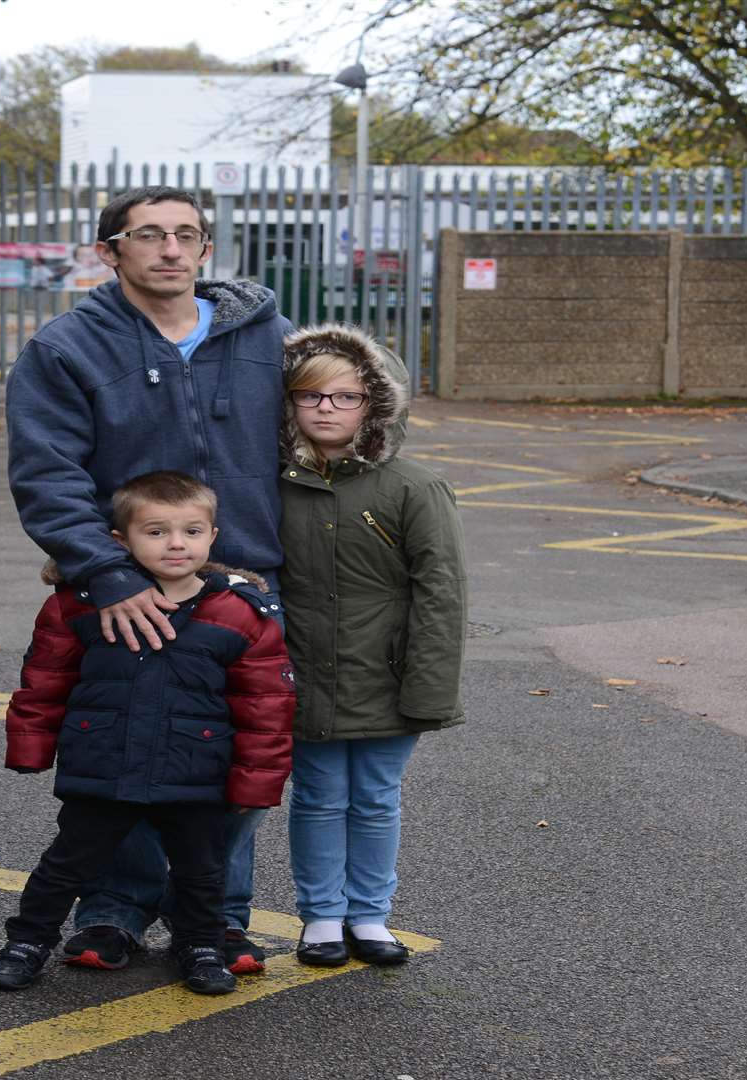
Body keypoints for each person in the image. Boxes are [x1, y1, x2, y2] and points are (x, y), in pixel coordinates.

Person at [5, 185, 292, 975]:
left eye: (187, 235)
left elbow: (335, 427)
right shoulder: (68, 348)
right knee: (130, 753)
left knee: (230, 751)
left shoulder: (269, 336)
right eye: (150, 235)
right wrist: (103, 572)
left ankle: (221, 920)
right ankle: (112, 913)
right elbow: (46, 472)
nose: (170, 249)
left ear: (205, 250)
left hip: (247, 586)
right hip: (124, 587)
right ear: (111, 251)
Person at [0, 471, 294, 994]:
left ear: (212, 537)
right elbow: (44, 678)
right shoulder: (79, 604)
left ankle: (198, 944)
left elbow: (267, 705)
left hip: (196, 771)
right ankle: (28, 941)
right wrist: (31, 747)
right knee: (66, 864)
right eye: (156, 531)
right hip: (105, 763)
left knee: (201, 871)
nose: (176, 543)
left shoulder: (241, 614)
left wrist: (255, 783)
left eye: (192, 531)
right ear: (119, 540)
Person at [276, 324, 466, 967]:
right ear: (289, 405)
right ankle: (322, 916)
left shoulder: (414, 487)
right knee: (320, 794)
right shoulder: (271, 483)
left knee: (377, 796)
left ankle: (370, 915)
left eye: (346, 397)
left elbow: (441, 594)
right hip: (302, 669)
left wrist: (429, 686)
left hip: (387, 674)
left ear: (375, 406)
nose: (326, 409)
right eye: (310, 397)